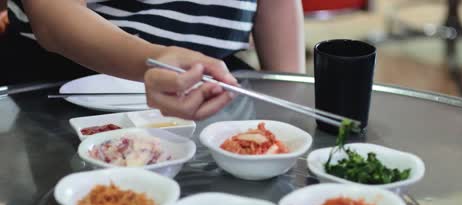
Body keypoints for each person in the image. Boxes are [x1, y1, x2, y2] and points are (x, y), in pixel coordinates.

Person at [3, 0, 305, 120]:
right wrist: (157, 60)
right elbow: (53, 18)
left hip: (213, 85)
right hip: (59, 87)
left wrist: (291, 108)